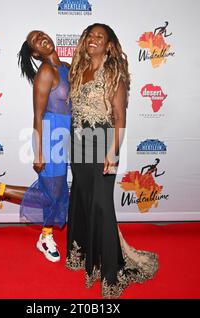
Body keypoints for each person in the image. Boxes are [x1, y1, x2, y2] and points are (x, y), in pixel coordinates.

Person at [66, 23, 159, 298]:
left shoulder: (113, 73)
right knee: (82, 198)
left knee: (101, 205)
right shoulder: (77, 69)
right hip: (77, 142)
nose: (93, 39)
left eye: (100, 37)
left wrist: (112, 152)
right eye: (90, 35)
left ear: (109, 44)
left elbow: (120, 118)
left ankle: (110, 270)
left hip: (102, 143)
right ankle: (86, 257)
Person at [16, 30, 72, 262]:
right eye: (34, 41)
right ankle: (45, 238)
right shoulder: (45, 72)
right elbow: (38, 115)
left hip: (65, 133)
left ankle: (46, 235)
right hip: (49, 134)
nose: (40, 39)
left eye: (41, 34)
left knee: (57, 190)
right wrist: (39, 152)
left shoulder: (67, 67)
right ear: (36, 53)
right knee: (53, 191)